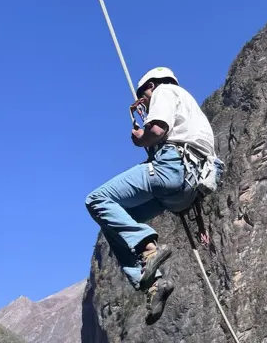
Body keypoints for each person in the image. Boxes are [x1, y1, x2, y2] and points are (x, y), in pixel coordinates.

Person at [85, 66, 216, 323]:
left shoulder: (165, 92)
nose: (142, 100)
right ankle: (154, 285)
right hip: (187, 190)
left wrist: (139, 138)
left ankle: (148, 248)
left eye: (143, 94)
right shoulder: (194, 113)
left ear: (152, 85)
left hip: (171, 169)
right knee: (112, 222)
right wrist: (200, 219)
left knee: (97, 200)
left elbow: (156, 131)